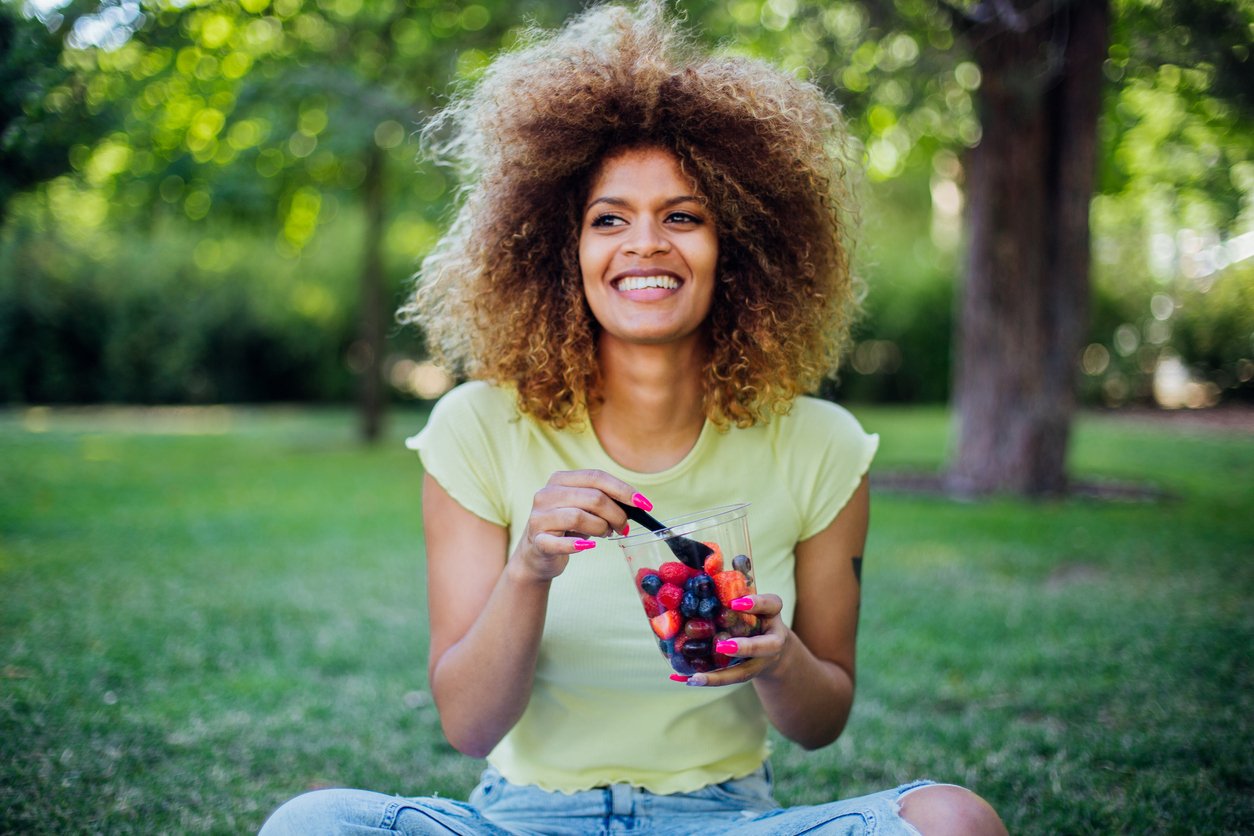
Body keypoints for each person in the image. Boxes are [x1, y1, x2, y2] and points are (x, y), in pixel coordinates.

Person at [260, 2, 1006, 834]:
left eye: (682, 216)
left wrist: (777, 656)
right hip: (522, 819)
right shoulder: (478, 428)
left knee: (954, 821)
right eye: (608, 219)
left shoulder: (820, 446)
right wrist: (529, 570)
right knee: (312, 823)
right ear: (559, 250)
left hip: (724, 820)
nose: (645, 244)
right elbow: (468, 728)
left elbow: (821, 721)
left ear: (742, 247)